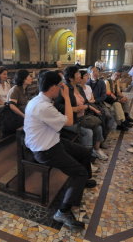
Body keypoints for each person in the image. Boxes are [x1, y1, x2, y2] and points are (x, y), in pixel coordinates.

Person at [24, 71, 96, 229]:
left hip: (52, 141)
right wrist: (66, 97)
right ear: (52, 87)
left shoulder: (40, 100)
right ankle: (62, 212)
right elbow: (69, 121)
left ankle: (79, 185)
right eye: (60, 85)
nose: (62, 88)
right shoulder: (42, 106)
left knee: (85, 153)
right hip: (45, 150)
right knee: (79, 172)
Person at [55, 66, 108, 161]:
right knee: (88, 132)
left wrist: (92, 108)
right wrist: (74, 109)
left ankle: (96, 150)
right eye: (78, 74)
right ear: (71, 78)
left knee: (98, 127)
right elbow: (58, 106)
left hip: (82, 117)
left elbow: (86, 102)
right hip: (71, 120)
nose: (80, 76)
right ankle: (86, 159)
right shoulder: (64, 88)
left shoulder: (78, 87)